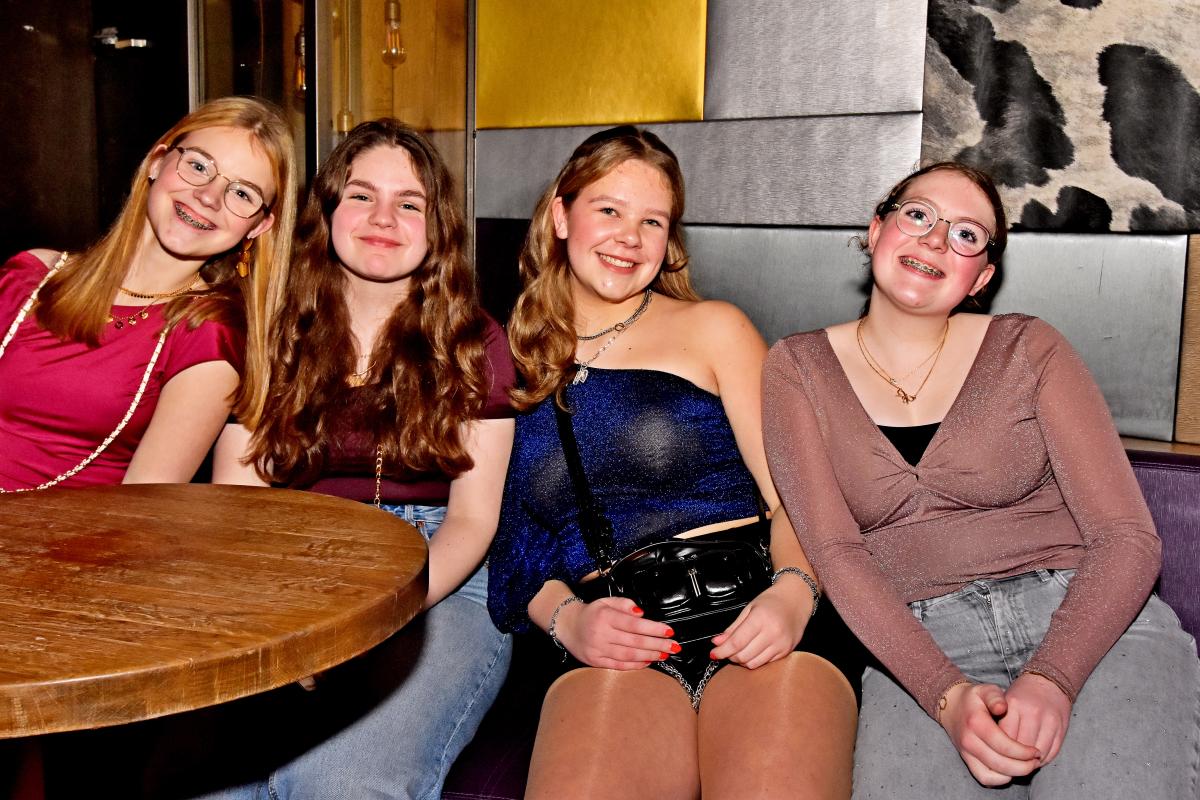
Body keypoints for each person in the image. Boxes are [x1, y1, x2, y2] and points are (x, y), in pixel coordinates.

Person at [762, 162, 1200, 798]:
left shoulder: (1029, 347)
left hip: (1087, 620)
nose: (937, 240)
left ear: (982, 277)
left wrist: (1054, 677)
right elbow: (835, 554)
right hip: (915, 646)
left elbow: (1127, 537)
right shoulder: (797, 368)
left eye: (967, 234)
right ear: (877, 229)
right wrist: (945, 695)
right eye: (918, 215)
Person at [488, 126, 861, 799]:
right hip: (617, 635)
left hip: (756, 608)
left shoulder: (714, 327)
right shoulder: (504, 361)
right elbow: (511, 541)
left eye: (652, 221)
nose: (629, 238)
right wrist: (568, 620)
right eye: (609, 210)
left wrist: (793, 595)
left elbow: (800, 494)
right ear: (560, 215)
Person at [201, 119, 515, 800]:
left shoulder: (474, 340)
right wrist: (291, 622)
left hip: (438, 573)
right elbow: (237, 507)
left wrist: (372, 618)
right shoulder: (267, 329)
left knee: (339, 783)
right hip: (285, 564)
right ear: (327, 211)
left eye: (410, 203)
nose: (383, 218)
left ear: (437, 228)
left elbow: (473, 521)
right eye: (362, 195)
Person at [0, 96, 296, 491]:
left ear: (258, 227)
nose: (209, 197)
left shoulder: (206, 335)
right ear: (157, 161)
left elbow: (144, 503)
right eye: (199, 166)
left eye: (242, 193)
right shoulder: (32, 276)